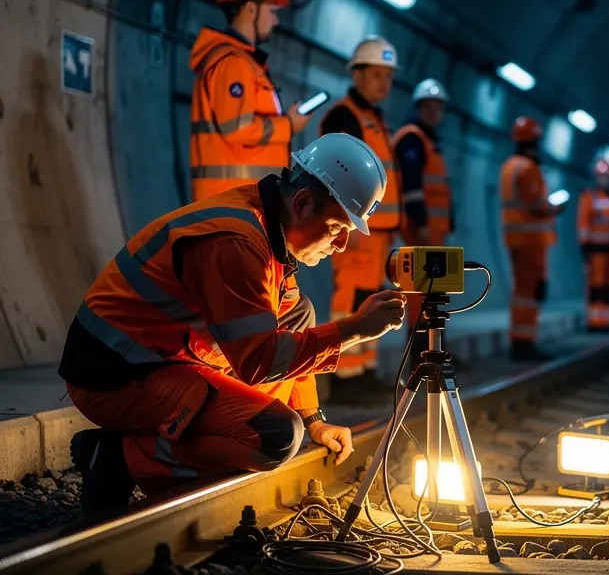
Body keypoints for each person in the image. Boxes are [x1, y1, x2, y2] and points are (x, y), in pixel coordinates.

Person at [60, 133, 407, 515]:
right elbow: (260, 360)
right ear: (303, 202)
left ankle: (157, 442)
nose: (341, 245)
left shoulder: (268, 225)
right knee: (275, 436)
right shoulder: (236, 243)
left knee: (299, 312)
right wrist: (353, 329)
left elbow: (288, 332)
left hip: (163, 358)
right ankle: (117, 457)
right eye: (338, 228)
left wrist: (314, 421)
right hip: (115, 376)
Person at [319, 35, 403, 395]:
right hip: (354, 225)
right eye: (376, 74)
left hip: (378, 229)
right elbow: (341, 172)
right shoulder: (344, 116)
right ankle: (343, 376)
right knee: (351, 298)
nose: (384, 82)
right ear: (357, 74)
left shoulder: (374, 119)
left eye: (388, 75)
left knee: (370, 297)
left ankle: (363, 370)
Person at [189, 0, 313, 202]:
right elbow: (237, 128)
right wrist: (288, 125)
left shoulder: (244, 62)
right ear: (250, 8)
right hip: (233, 201)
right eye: (272, 11)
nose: (275, 21)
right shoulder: (232, 63)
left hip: (243, 199)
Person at [391, 78, 454, 371]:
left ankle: (436, 353)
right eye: (427, 107)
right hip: (422, 230)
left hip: (435, 232)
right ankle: (419, 358)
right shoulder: (411, 138)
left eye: (437, 108)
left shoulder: (428, 141)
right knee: (420, 296)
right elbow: (413, 187)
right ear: (417, 108)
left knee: (434, 294)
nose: (433, 113)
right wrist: (422, 223)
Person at [498, 116, 563, 361]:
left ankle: (521, 340)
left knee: (522, 291)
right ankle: (524, 343)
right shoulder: (527, 168)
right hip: (531, 241)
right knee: (531, 291)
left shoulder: (508, 166)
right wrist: (555, 208)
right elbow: (537, 204)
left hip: (516, 238)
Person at [577, 159, 609, 332]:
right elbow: (583, 223)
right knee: (596, 286)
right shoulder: (589, 197)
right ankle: (594, 322)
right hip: (596, 251)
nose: (605, 180)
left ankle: (605, 321)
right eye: (602, 177)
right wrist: (584, 245)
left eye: (608, 177)